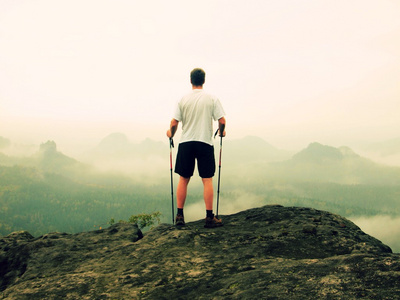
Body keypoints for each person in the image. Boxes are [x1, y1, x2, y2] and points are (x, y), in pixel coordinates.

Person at [166, 68, 226, 228]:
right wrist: (221, 132)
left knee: (183, 179)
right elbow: (222, 120)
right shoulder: (212, 99)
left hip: (186, 142)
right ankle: (209, 217)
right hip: (205, 142)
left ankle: (179, 215)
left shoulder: (182, 99)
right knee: (207, 179)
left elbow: (173, 123)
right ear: (203, 80)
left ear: (190, 80)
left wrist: (170, 134)